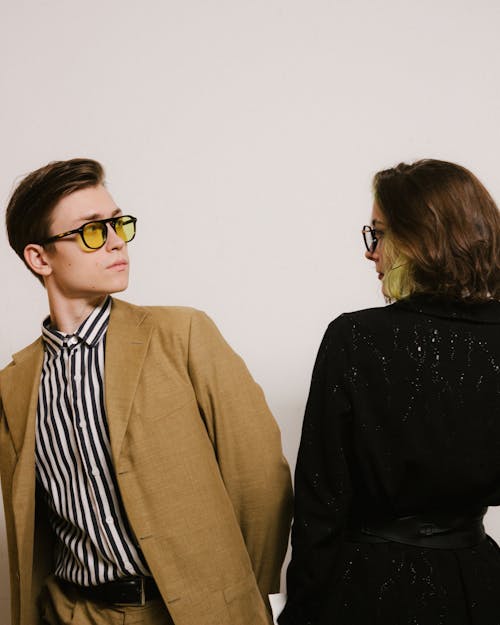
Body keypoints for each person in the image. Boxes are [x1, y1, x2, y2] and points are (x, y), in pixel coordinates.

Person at [0, 158, 293, 625]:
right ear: (40, 258)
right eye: (92, 230)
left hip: (189, 613)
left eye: (118, 224)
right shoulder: (14, 384)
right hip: (70, 611)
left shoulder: (184, 335)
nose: (116, 241)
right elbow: (33, 527)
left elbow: (260, 483)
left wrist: (240, 599)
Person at [279, 159, 500, 625]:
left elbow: (320, 506)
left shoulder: (354, 339)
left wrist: (299, 612)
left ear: (419, 241)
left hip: (369, 591)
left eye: (377, 233)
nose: (370, 252)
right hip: (479, 586)